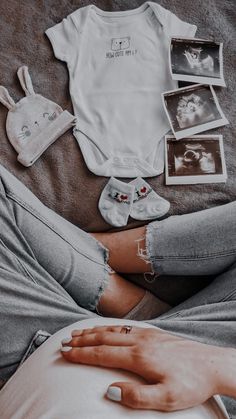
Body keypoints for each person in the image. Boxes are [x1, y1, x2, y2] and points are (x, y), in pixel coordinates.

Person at [0, 163, 235, 415]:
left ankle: (89, 262)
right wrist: (220, 366)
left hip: (61, 359)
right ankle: (110, 277)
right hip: (206, 350)